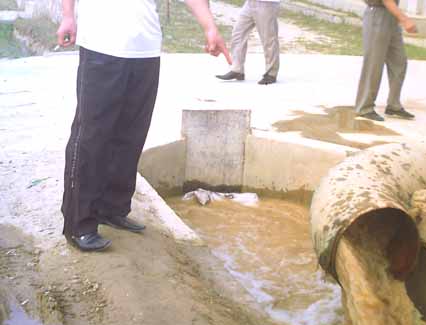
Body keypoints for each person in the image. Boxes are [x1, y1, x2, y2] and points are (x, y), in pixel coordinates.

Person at [57, 0, 231, 252]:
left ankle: (112, 208)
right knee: (91, 137)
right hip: (101, 47)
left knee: (131, 136)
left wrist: (210, 27)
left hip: (145, 50)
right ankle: (79, 223)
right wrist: (68, 15)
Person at [355, 0, 417, 121]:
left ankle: (394, 105)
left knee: (399, 62)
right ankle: (365, 107)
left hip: (391, 16)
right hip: (378, 14)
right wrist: (404, 19)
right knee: (374, 63)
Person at [216, 0, 280, 85]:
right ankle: (237, 70)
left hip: (267, 3)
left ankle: (271, 74)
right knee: (238, 34)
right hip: (249, 3)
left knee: (268, 39)